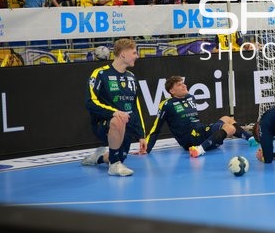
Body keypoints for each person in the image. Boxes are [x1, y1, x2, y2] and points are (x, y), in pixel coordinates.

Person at [81, 38, 147, 176]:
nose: (137, 56)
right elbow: (90, 102)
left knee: (118, 155)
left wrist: (141, 135)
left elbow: (136, 107)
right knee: (118, 120)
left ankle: (98, 158)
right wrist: (114, 112)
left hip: (127, 126)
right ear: (123, 54)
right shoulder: (100, 73)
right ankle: (114, 166)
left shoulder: (131, 77)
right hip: (104, 123)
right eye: (134, 53)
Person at [145, 76, 256, 157]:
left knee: (227, 118)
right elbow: (156, 128)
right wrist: (147, 148)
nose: (184, 85)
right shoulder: (167, 104)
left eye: (183, 83)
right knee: (229, 128)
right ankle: (200, 149)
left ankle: (251, 139)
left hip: (199, 131)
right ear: (172, 91)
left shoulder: (190, 97)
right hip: (189, 138)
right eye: (179, 85)